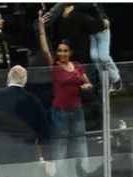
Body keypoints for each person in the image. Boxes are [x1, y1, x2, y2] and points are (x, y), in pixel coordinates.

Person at [38, 11, 92, 162]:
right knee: (60, 145)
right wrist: (41, 27)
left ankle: (84, 176)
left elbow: (87, 83)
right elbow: (45, 50)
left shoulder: (77, 66)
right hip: (60, 112)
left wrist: (87, 86)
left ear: (70, 52)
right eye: (60, 50)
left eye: (65, 51)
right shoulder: (55, 66)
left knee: (80, 143)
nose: (62, 53)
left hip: (77, 111)